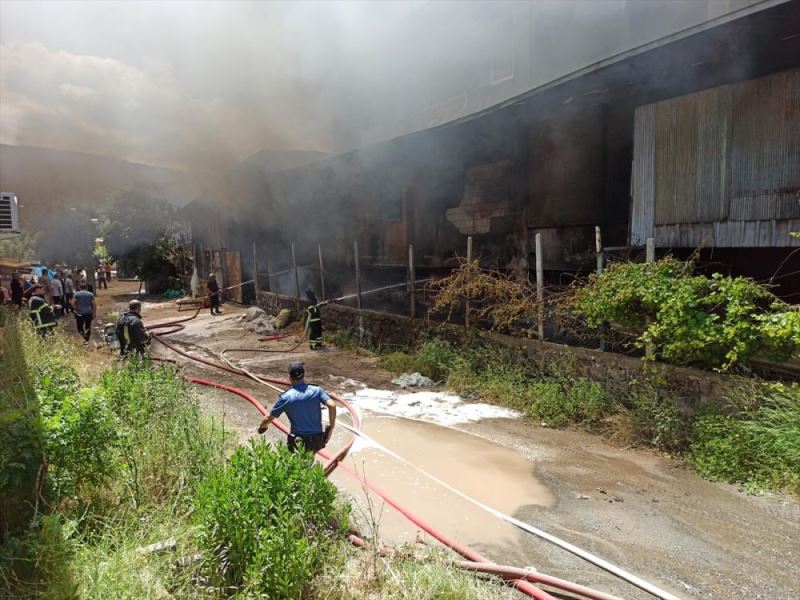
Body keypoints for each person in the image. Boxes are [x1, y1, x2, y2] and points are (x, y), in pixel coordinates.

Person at [257, 362, 336, 453]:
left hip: (298, 441)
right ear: (304, 375)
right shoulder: (317, 390)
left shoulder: (286, 397)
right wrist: (331, 429)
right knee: (309, 459)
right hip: (316, 439)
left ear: (289, 377)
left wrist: (262, 427)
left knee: (294, 461)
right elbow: (332, 405)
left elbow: (269, 418)